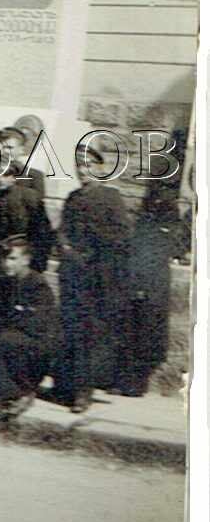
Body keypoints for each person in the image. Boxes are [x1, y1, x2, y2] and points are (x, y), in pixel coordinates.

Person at [55, 146, 131, 412]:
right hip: (72, 276)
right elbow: (62, 230)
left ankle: (83, 393)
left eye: (88, 165)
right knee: (69, 330)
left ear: (100, 168)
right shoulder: (72, 198)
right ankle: (65, 387)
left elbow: (121, 236)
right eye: (78, 165)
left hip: (96, 278)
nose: (82, 170)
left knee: (89, 334)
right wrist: (65, 247)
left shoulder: (111, 197)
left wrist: (92, 251)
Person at [116, 182, 179, 396]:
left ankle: (136, 384)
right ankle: (130, 382)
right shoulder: (148, 214)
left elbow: (156, 252)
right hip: (143, 281)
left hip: (151, 284)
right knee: (137, 331)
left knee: (146, 333)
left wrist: (142, 284)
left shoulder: (165, 214)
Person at [0, 234, 60, 413]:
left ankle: (25, 392)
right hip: (18, 337)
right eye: (5, 258)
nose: (7, 263)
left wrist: (7, 323)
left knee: (5, 340)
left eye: (12, 258)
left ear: (26, 260)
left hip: (38, 346)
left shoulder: (37, 285)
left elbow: (36, 324)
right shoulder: (7, 282)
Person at [0, 159, 53, 273]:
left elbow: (43, 231)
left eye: (5, 175)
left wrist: (38, 262)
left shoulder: (29, 197)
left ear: (14, 178)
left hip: (23, 256)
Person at [0, 125, 46, 203]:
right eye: (3, 148)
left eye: (10, 147)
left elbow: (37, 203)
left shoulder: (34, 175)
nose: (6, 151)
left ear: (21, 150)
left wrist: (10, 187)